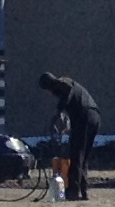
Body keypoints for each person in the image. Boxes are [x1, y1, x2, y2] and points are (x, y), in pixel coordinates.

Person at [37, 70, 100, 200]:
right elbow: (72, 101)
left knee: (76, 155)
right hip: (95, 117)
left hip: (84, 117)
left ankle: (72, 192)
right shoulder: (69, 87)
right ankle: (84, 191)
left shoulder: (63, 82)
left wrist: (58, 112)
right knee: (83, 157)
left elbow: (68, 91)